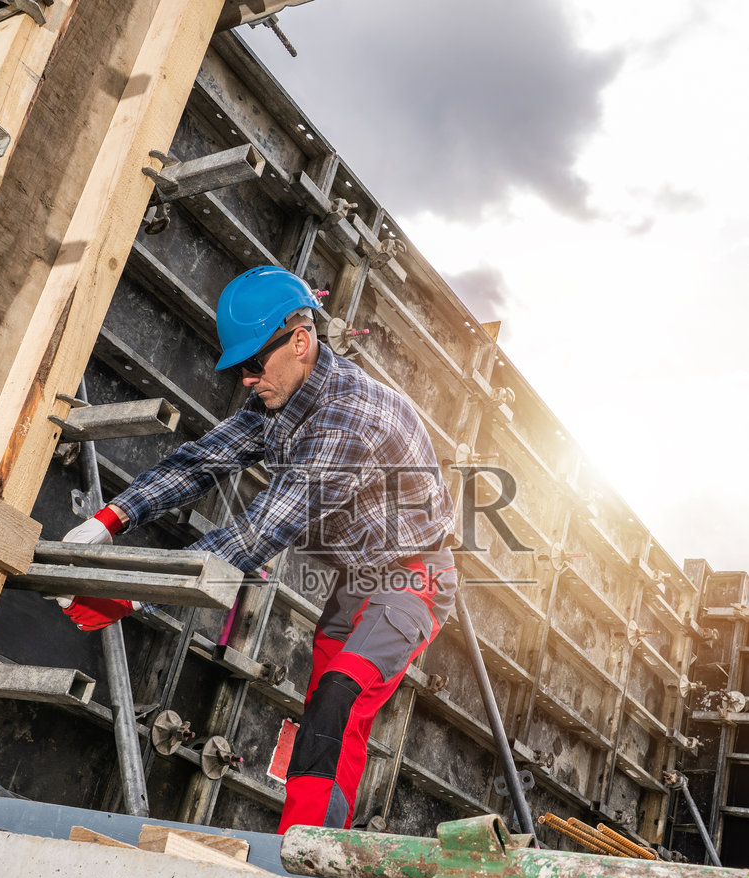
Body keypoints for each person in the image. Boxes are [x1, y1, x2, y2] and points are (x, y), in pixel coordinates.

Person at [60, 266, 457, 832]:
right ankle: (326, 842)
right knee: (334, 710)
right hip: (358, 580)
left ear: (300, 342)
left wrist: (136, 594)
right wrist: (112, 517)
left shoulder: (348, 421)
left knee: (337, 701)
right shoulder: (282, 398)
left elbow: (257, 536)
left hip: (414, 579)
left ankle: (303, 856)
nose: (247, 379)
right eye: (240, 367)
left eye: (253, 364)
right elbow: (202, 462)